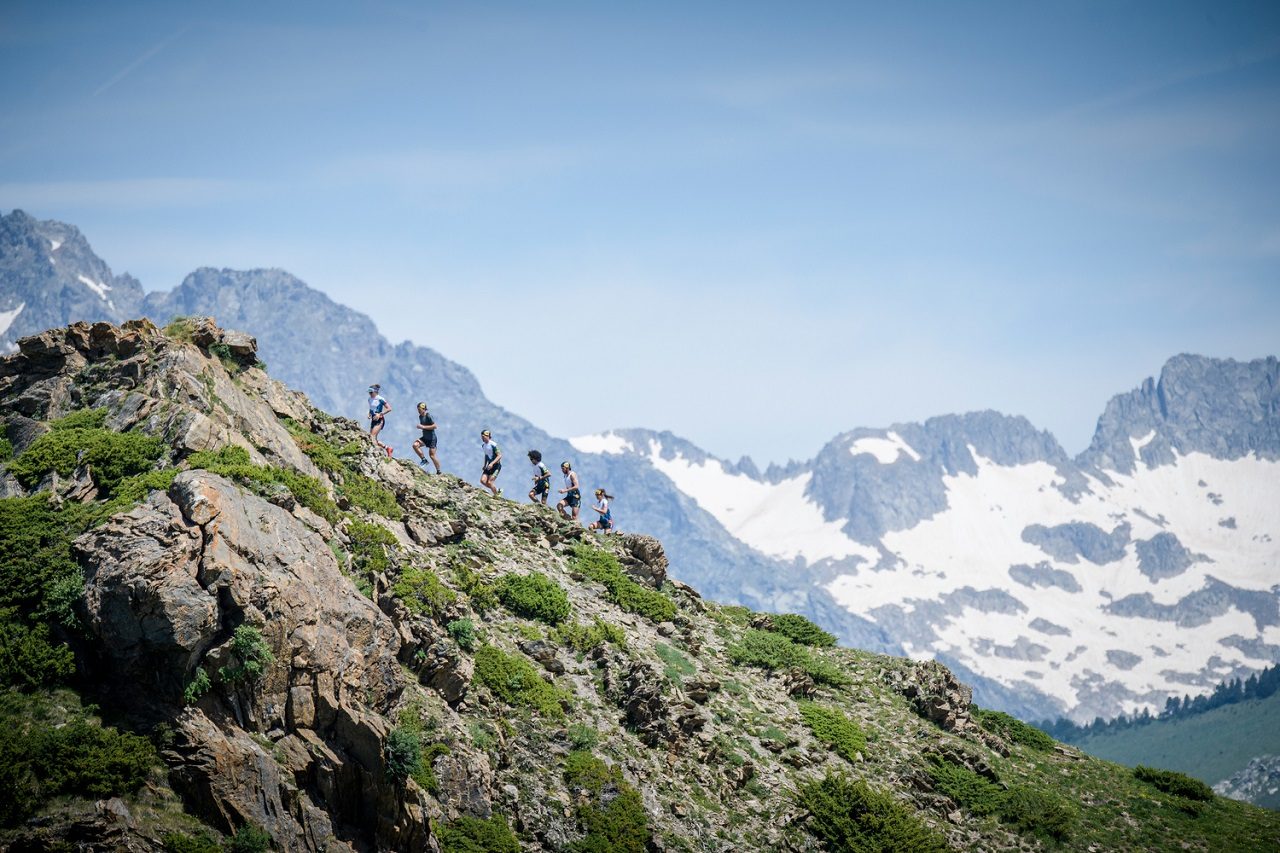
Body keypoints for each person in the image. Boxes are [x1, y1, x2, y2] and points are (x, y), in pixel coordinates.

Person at [412, 401, 441, 473]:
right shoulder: (420, 417)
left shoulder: (428, 416)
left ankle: (439, 471)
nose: (418, 411)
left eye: (419, 409)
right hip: (425, 437)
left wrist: (422, 426)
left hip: (432, 439)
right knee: (415, 445)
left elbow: (435, 426)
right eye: (418, 410)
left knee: (432, 455)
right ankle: (424, 460)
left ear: (424, 409)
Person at [367, 384, 392, 457]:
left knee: (372, 437)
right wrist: (369, 414)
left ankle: (375, 455)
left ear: (375, 391)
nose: (370, 394)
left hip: (380, 420)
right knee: (371, 438)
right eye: (369, 392)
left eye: (371, 392)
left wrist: (380, 414)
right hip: (373, 420)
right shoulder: (369, 399)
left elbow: (389, 408)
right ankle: (388, 448)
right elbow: (371, 408)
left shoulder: (380, 399)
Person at [480, 430, 502, 497]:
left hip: (496, 466)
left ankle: (497, 496)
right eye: (481, 437)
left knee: (490, 482)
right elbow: (486, 455)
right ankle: (497, 490)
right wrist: (484, 465)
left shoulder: (493, 444)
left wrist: (492, 463)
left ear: (488, 436)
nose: (482, 438)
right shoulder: (483, 445)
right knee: (482, 481)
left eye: (483, 436)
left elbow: (500, 455)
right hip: (489, 466)